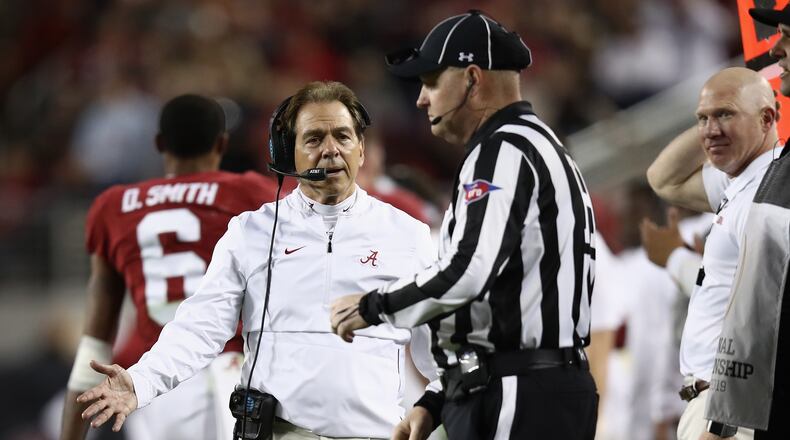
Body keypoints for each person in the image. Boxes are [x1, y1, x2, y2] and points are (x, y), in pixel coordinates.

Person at [75, 81, 438, 440]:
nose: (331, 150)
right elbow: (200, 328)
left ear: (361, 149)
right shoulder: (252, 232)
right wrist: (142, 381)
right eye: (313, 139)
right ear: (287, 154)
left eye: (342, 137)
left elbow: (438, 351)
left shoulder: (409, 236)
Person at [330, 10, 598, 440]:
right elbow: (501, 297)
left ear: (473, 79)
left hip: (519, 392)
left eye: (432, 81)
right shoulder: (538, 146)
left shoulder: (502, 150)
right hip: (533, 386)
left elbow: (469, 271)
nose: (421, 98)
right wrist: (437, 398)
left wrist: (372, 306)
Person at [60, 94, 278, 440]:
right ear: (221, 143)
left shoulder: (113, 206)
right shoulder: (252, 192)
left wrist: (70, 435)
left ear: (159, 143)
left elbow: (96, 339)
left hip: (151, 384)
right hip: (232, 371)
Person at [649, 6, 790, 439]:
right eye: (702, 119)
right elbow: (662, 178)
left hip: (729, 401)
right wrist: (728, 102)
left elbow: (762, 307)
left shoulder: (772, 183)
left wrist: (724, 416)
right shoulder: (746, 182)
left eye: (724, 116)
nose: (777, 48)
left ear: (768, 119)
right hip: (719, 398)